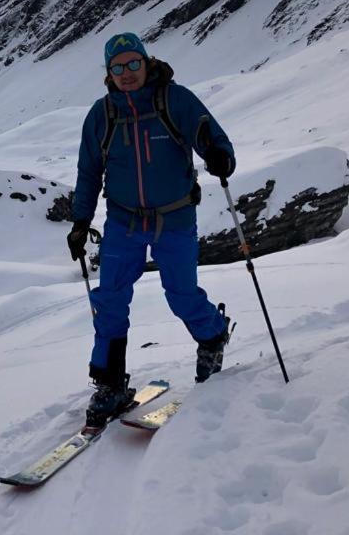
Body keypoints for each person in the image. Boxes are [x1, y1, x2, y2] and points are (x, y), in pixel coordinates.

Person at [67, 32, 236, 430]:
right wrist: (80, 221)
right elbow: (89, 172)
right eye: (117, 67)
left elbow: (211, 136)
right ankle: (110, 383)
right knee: (109, 300)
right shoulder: (102, 114)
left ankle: (212, 336)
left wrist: (218, 155)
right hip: (123, 222)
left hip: (174, 218)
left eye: (133, 64)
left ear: (146, 62)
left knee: (181, 294)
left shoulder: (173, 100)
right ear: (108, 73)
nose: (127, 74)